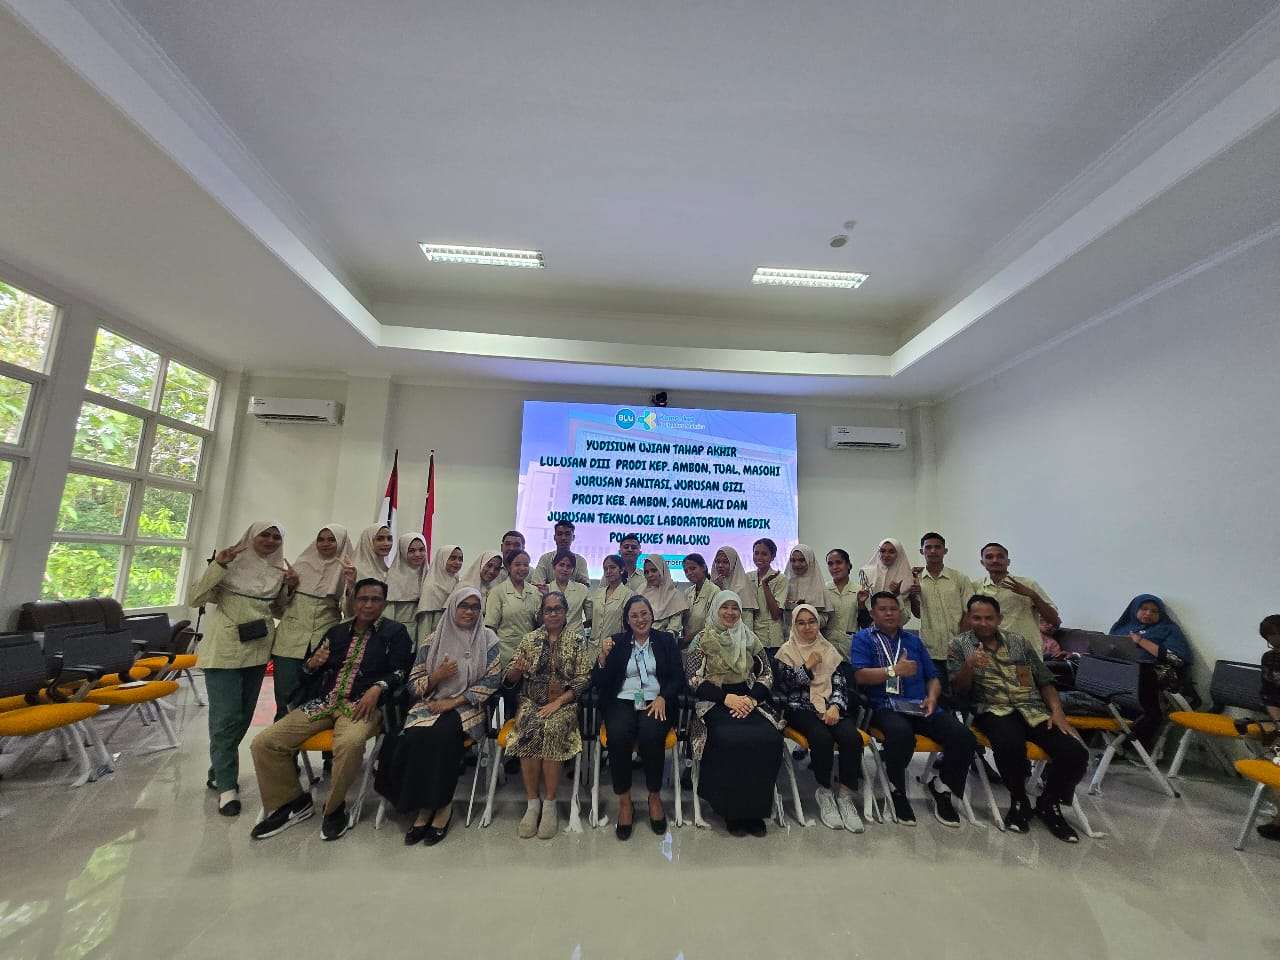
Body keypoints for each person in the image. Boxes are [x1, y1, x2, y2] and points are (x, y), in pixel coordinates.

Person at [250, 578, 413, 841]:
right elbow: (307, 673)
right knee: (265, 742)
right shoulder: (336, 632)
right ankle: (292, 802)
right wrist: (311, 665)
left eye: (375, 600)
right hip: (324, 703)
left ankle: (334, 808)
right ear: (353, 601)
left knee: (349, 743)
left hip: (363, 706)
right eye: (363, 599)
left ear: (384, 603)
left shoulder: (395, 633)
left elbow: (402, 671)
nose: (368, 605)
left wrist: (378, 687)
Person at [948, 595, 1088, 843]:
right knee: (1009, 745)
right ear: (969, 618)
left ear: (999, 619)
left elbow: (1044, 680)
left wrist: (1057, 712)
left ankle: (1049, 802)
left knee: (1075, 752)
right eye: (977, 618)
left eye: (989, 618)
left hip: (1032, 709)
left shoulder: (1018, 642)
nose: (983, 623)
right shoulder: (960, 645)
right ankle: (1019, 800)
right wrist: (969, 666)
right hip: (991, 709)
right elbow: (959, 690)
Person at [377, 586, 501, 845]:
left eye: (475, 607)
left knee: (441, 736)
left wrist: (453, 701)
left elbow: (492, 680)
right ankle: (423, 807)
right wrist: (436, 677)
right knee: (410, 736)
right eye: (464, 606)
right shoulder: (432, 639)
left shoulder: (488, 639)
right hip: (430, 704)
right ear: (452, 607)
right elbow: (413, 685)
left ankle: (442, 806)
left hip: (469, 706)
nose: (469, 612)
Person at [187, 521, 287, 816]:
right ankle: (227, 787)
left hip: (257, 651)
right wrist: (218, 565)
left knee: (242, 717)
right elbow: (194, 598)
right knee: (226, 717)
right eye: (264, 534)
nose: (270, 540)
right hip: (225, 651)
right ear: (251, 536)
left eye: (276, 536)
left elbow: (279, 610)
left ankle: (218, 770)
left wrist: (290, 587)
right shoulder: (229, 565)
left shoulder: (278, 572)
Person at [852, 592, 975, 827]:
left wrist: (932, 697)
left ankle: (943, 787)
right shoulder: (863, 638)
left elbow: (933, 676)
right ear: (873, 614)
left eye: (893, 609)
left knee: (964, 737)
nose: (889, 613)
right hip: (885, 705)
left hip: (920, 704)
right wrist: (893, 671)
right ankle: (897, 790)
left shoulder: (913, 641)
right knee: (901, 735)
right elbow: (859, 676)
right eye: (883, 609)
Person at [688, 590, 784, 837]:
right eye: (725, 607)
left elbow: (766, 674)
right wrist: (726, 698)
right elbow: (693, 678)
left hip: (748, 700)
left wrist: (751, 699)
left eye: (735, 608)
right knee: (728, 738)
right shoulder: (702, 638)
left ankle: (755, 810)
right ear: (716, 609)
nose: (730, 613)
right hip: (714, 702)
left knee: (769, 737)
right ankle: (730, 810)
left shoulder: (750, 637)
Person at [502, 591, 594, 839]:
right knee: (529, 728)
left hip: (564, 704)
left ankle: (550, 804)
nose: (552, 614)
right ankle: (533, 804)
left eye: (557, 609)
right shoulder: (529, 639)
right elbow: (510, 677)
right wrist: (516, 671)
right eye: (548, 610)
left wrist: (559, 702)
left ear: (565, 613)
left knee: (552, 729)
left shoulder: (577, 641)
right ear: (541, 614)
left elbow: (584, 678)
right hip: (531, 702)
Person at [592, 595, 685, 839]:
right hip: (623, 699)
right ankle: (625, 802)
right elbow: (600, 681)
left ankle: (654, 796)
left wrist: (664, 696)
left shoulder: (665, 641)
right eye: (634, 615)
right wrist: (602, 659)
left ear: (652, 615)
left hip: (656, 700)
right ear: (627, 620)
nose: (640, 619)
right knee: (618, 735)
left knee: (651, 734)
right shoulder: (617, 642)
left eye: (644, 614)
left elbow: (677, 677)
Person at [774, 603, 865, 832]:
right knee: (821, 737)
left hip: (830, 707)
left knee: (851, 737)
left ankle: (845, 795)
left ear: (818, 624)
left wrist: (835, 706)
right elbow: (785, 685)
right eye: (801, 623)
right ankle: (824, 791)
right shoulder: (786, 651)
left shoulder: (828, 649)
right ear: (794, 626)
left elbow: (840, 684)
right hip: (799, 708)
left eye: (811, 622)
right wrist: (807, 666)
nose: (807, 627)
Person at [271, 524, 351, 721]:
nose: (325, 544)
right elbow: (279, 606)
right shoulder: (301, 564)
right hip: (289, 640)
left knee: (316, 699)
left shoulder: (347, 569)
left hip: (324, 641)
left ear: (341, 543)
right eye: (321, 539)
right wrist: (290, 586)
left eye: (331, 540)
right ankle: (281, 740)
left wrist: (352, 584)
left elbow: (349, 612)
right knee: (285, 698)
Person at [971, 543, 1060, 654]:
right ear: (982, 562)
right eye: (989, 557)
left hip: (1026, 652)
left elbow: (1054, 620)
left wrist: (1033, 595)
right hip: (990, 653)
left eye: (1000, 556)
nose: (995, 560)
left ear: (1008, 561)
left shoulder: (1028, 584)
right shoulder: (975, 587)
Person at [912, 533, 974, 684]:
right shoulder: (915, 579)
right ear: (922, 551)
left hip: (958, 648)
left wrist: (959, 642)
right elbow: (918, 614)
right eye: (928, 547)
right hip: (930, 650)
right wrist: (913, 595)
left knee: (961, 690)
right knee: (936, 690)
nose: (933, 551)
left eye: (937, 547)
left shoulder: (959, 578)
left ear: (945, 551)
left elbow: (970, 611)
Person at [1254, 614, 1280, 842]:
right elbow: (1268, 694)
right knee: (1270, 758)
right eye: (1270, 639)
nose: (1274, 644)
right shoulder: (1270, 659)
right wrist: (1278, 721)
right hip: (1278, 715)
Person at [858, 538, 916, 627]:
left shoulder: (907, 577)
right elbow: (863, 607)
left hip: (895, 629)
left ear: (898, 554)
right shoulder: (867, 573)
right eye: (882, 551)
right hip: (870, 627)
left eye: (891, 552)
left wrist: (897, 595)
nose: (886, 555)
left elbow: (904, 618)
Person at [823, 548, 864, 659]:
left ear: (848, 565)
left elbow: (866, 624)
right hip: (827, 648)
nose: (834, 567)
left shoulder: (860, 591)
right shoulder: (823, 590)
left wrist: (862, 605)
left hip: (851, 647)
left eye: (839, 562)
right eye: (830, 564)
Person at [416, 544, 464, 638]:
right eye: (452, 558)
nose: (457, 562)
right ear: (442, 559)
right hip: (434, 636)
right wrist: (424, 645)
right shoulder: (431, 586)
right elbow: (425, 625)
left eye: (460, 559)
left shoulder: (458, 582)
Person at [748, 538, 788, 650]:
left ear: (773, 556)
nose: (759, 557)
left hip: (773, 640)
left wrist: (765, 585)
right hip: (753, 637)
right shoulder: (748, 577)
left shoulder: (780, 579)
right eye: (756, 553)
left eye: (764, 554)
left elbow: (775, 614)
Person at [586, 554, 634, 644]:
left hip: (614, 645)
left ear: (622, 570)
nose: (608, 571)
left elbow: (628, 626)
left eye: (612, 567)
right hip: (593, 645)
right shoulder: (598, 593)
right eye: (605, 569)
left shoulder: (629, 594)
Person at [345, 524, 393, 615]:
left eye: (389, 538)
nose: (386, 543)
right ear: (368, 541)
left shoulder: (388, 569)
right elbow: (348, 610)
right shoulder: (355, 570)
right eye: (380, 539)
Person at [385, 533, 429, 632]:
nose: (417, 554)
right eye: (411, 551)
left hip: (424, 629)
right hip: (400, 631)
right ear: (403, 552)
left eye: (421, 550)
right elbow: (388, 616)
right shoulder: (393, 578)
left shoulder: (429, 577)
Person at [639, 556, 690, 638]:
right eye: (646, 572)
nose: (650, 575)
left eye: (654, 570)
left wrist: (660, 640)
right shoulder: (641, 592)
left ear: (662, 570)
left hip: (665, 642)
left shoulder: (675, 595)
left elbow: (674, 628)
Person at [711, 546, 757, 632]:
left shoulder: (743, 586)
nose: (720, 565)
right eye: (717, 562)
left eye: (725, 562)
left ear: (733, 563)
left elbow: (748, 623)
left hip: (738, 635)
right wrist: (716, 589)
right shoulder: (713, 584)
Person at [532, 520, 591, 586]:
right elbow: (537, 584)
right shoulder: (545, 559)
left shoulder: (580, 561)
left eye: (567, 534)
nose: (563, 538)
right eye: (560, 534)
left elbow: (585, 586)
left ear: (573, 537)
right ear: (554, 537)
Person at [785, 544, 828, 622]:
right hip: (788, 629)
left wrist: (807, 622)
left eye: (802, 560)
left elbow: (825, 617)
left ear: (810, 561)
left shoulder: (818, 585)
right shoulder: (785, 584)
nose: (796, 564)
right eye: (793, 560)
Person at [547, 550, 589, 628]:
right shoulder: (546, 589)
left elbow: (591, 617)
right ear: (554, 566)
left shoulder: (582, 589)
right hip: (552, 633)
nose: (565, 569)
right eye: (561, 565)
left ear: (573, 570)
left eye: (569, 566)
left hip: (576, 634)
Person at [683, 554, 717, 647]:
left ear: (703, 567)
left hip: (706, 644)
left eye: (693, 568)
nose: (689, 573)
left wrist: (691, 638)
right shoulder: (687, 592)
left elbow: (712, 624)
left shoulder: (715, 591)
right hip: (687, 644)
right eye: (686, 571)